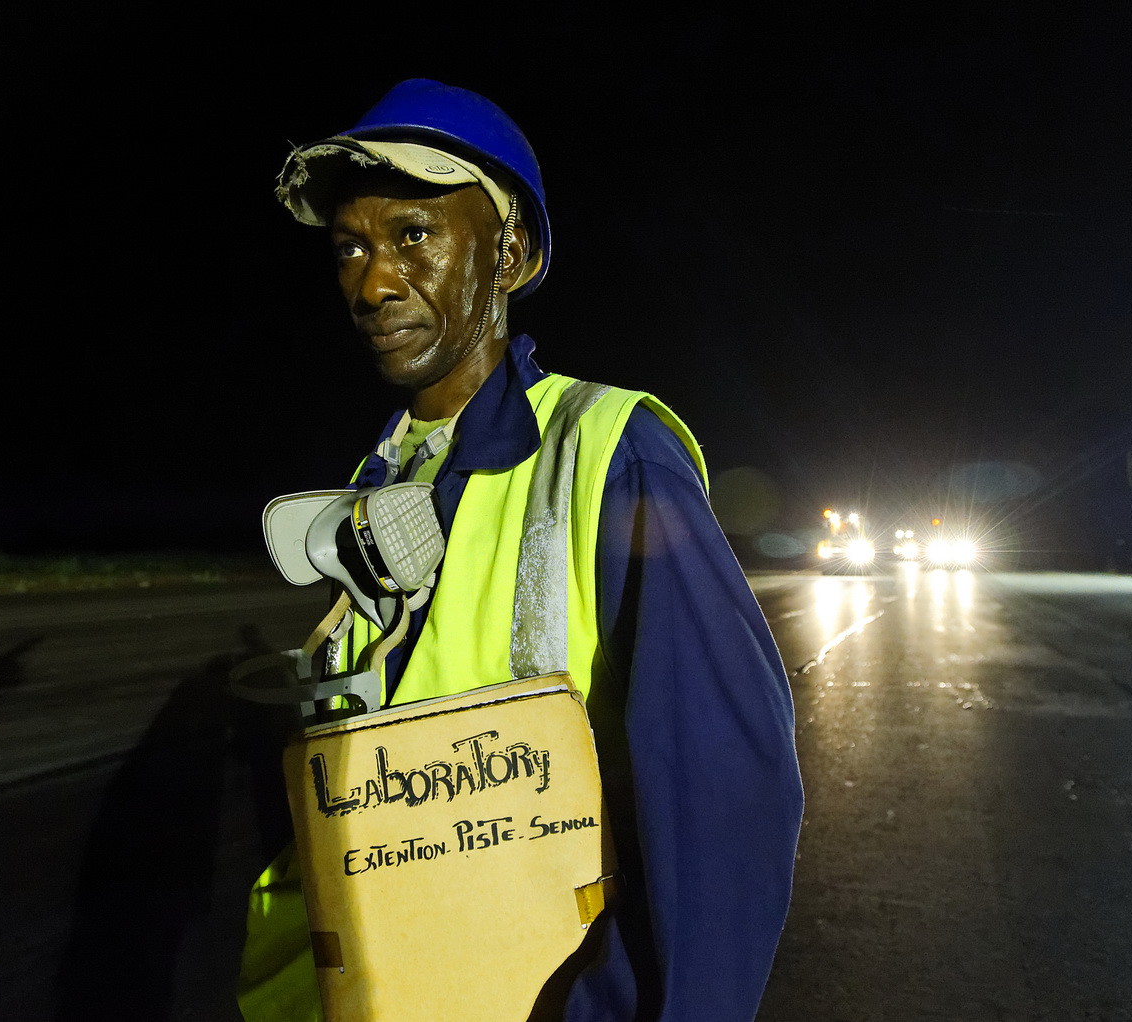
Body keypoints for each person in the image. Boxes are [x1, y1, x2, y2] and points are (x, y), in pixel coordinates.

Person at [240, 78, 802, 1022]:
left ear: (510, 253)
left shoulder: (609, 452)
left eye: (414, 234)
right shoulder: (380, 474)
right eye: (350, 246)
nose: (372, 281)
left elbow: (725, 806)